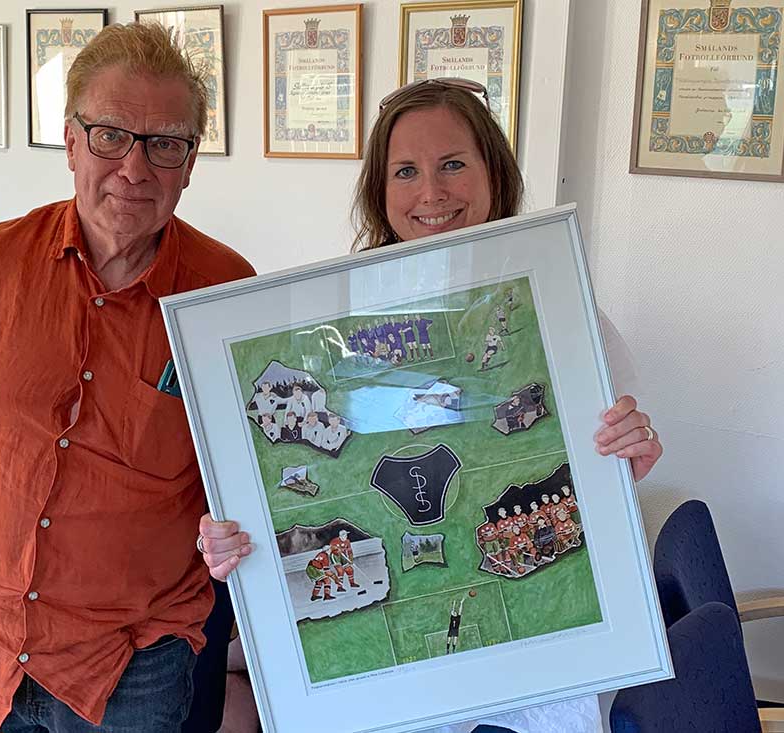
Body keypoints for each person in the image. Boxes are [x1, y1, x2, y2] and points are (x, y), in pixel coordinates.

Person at [199, 77, 665, 732]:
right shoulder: (330, 329)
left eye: (452, 164)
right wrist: (235, 531)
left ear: (493, 173)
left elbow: (598, 483)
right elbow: (300, 478)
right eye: (406, 171)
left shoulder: (566, 316)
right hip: (387, 669)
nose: (430, 192)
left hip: (534, 663)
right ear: (380, 191)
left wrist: (626, 460)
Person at [0, 23, 254, 733]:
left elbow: (246, 472)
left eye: (165, 144)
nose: (135, 168)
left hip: (128, 663)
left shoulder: (226, 296)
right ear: (70, 143)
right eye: (110, 136)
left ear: (189, 164)